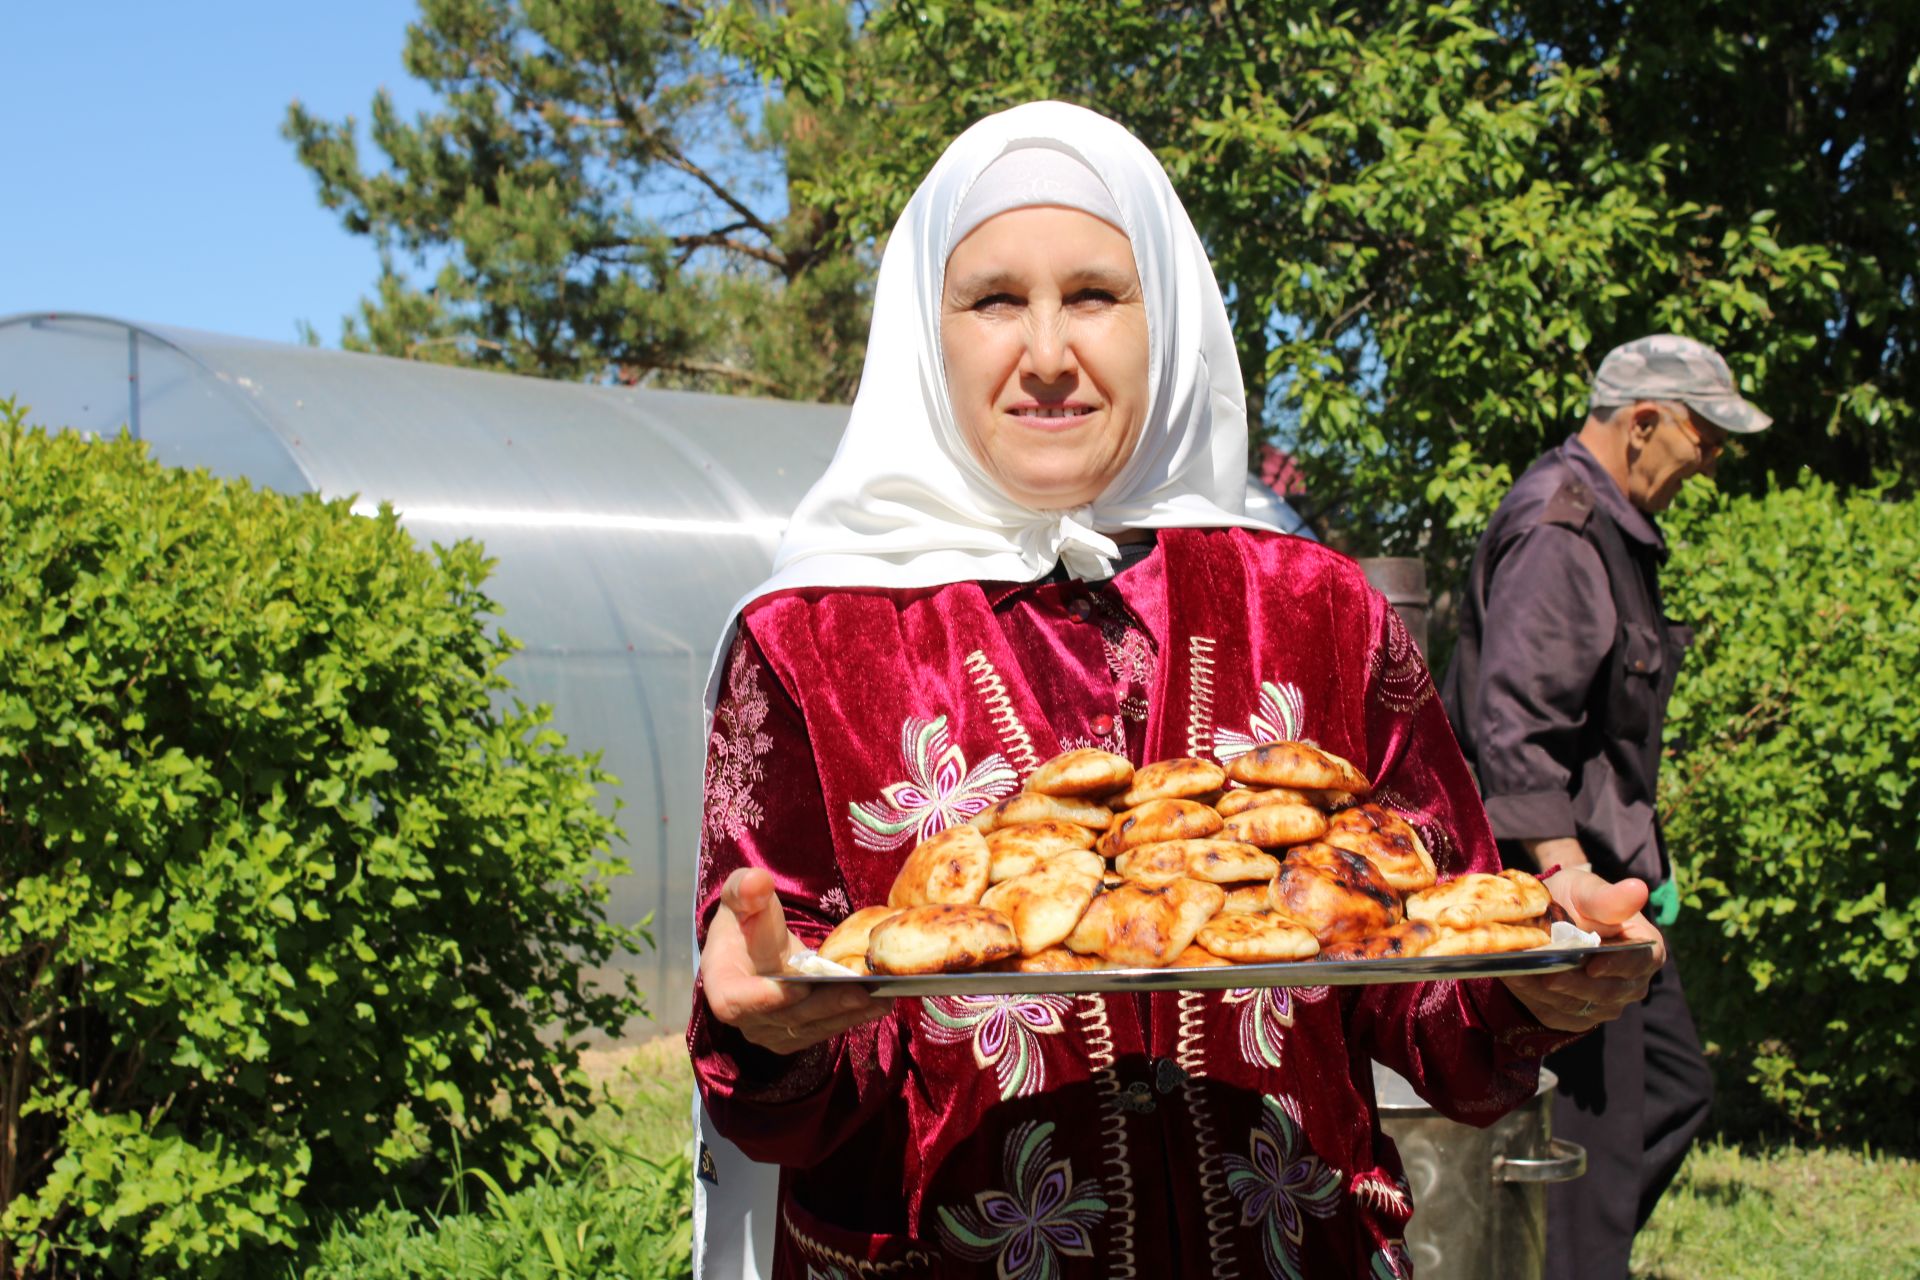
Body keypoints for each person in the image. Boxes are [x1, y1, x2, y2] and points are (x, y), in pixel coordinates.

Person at [689, 101, 1666, 1279]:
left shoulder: (1314, 610)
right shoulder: (812, 639)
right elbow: (791, 1072)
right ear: (921, 331)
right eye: (996, 298)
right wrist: (772, 1035)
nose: (1048, 352)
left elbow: (1423, 976)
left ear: (1172, 312)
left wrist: (1540, 993)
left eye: (1096, 293)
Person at [1440, 335, 1766, 1280]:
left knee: (1672, 1087)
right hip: (1563, 896)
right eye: (1704, 435)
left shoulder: (1610, 527)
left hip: (1608, 883)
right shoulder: (1562, 530)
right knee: (1590, 1156)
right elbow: (1517, 727)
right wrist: (1562, 872)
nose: (1711, 458)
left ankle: (1549, 1251)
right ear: (1645, 421)